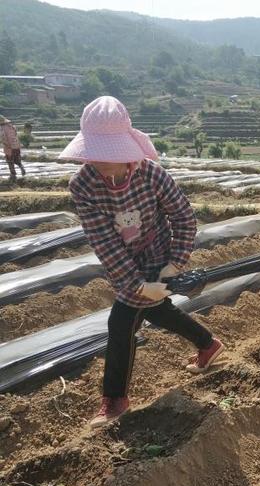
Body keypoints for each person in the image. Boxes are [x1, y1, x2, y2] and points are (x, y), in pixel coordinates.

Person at [60, 96, 224, 428]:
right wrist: (137, 285)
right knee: (155, 309)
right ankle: (208, 344)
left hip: (160, 254)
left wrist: (173, 266)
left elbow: (185, 219)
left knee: (121, 323)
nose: (101, 162)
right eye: (96, 154)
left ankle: (116, 399)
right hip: (125, 264)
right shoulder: (83, 185)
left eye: (110, 154)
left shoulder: (152, 175)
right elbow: (104, 243)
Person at [0, 115, 25, 181]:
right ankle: (21, 167)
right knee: (17, 159)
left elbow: (3, 138)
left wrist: (6, 144)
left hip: (9, 147)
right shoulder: (12, 126)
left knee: (10, 161)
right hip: (17, 145)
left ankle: (13, 174)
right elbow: (15, 135)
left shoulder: (2, 128)